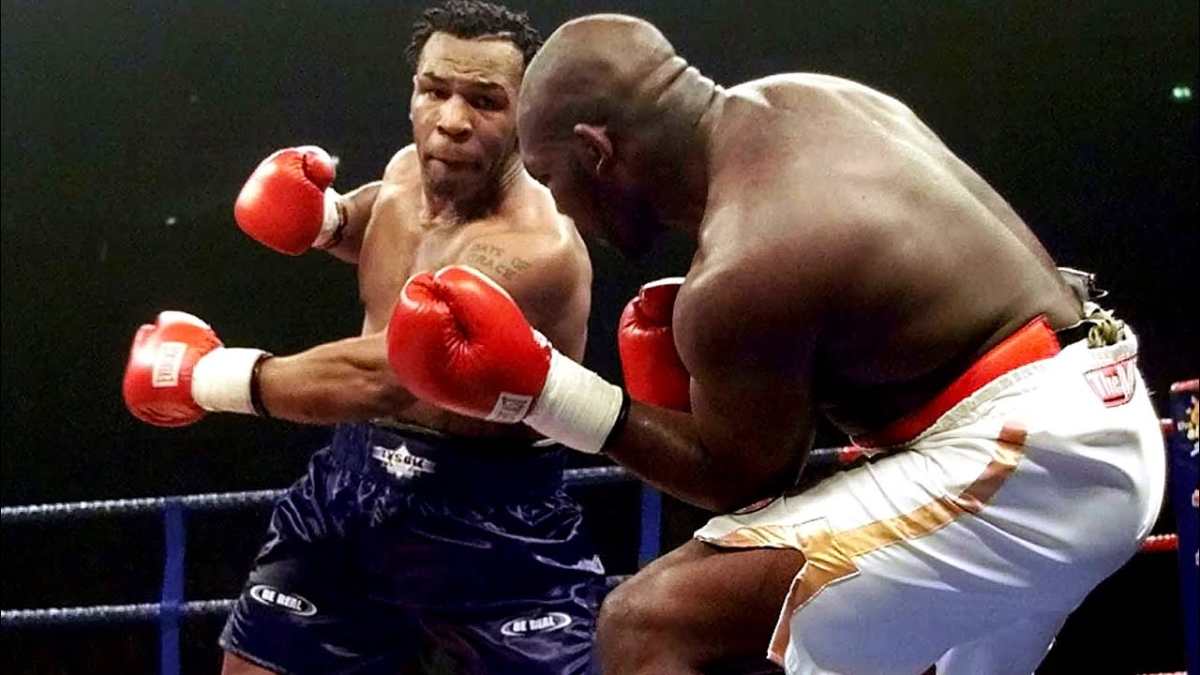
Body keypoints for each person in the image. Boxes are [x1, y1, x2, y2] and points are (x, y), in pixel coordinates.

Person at [382, 13, 1168, 675]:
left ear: (598, 152)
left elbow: (743, 482)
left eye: (554, 177)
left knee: (649, 624)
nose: (562, 207)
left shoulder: (748, 263)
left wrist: (544, 388)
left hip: (1035, 461)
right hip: (1086, 409)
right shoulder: (815, 98)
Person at [121, 3, 607, 673]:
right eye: (434, 90)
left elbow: (388, 374)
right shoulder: (407, 171)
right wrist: (326, 219)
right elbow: (385, 221)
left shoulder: (537, 249)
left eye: (485, 101)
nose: (452, 119)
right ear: (413, 92)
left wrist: (211, 377)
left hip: (495, 522)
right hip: (352, 487)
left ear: (528, 113)